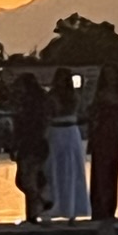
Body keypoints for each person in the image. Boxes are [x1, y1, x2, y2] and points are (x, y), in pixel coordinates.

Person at [46, 69, 90, 220]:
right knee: (63, 170)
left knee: (63, 169)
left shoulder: (61, 96)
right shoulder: (72, 96)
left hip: (64, 131)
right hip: (64, 131)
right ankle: (67, 208)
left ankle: (66, 207)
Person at [10, 72, 52, 222]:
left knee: (26, 180)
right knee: (30, 179)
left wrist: (14, 143)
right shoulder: (41, 102)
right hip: (37, 143)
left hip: (29, 144)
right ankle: (33, 213)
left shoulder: (27, 104)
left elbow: (20, 126)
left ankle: (39, 203)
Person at [88, 63, 118, 220]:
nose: (111, 78)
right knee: (100, 171)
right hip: (101, 134)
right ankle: (99, 208)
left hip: (113, 134)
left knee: (111, 170)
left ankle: (109, 208)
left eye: (113, 74)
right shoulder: (100, 94)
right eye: (108, 75)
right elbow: (91, 114)